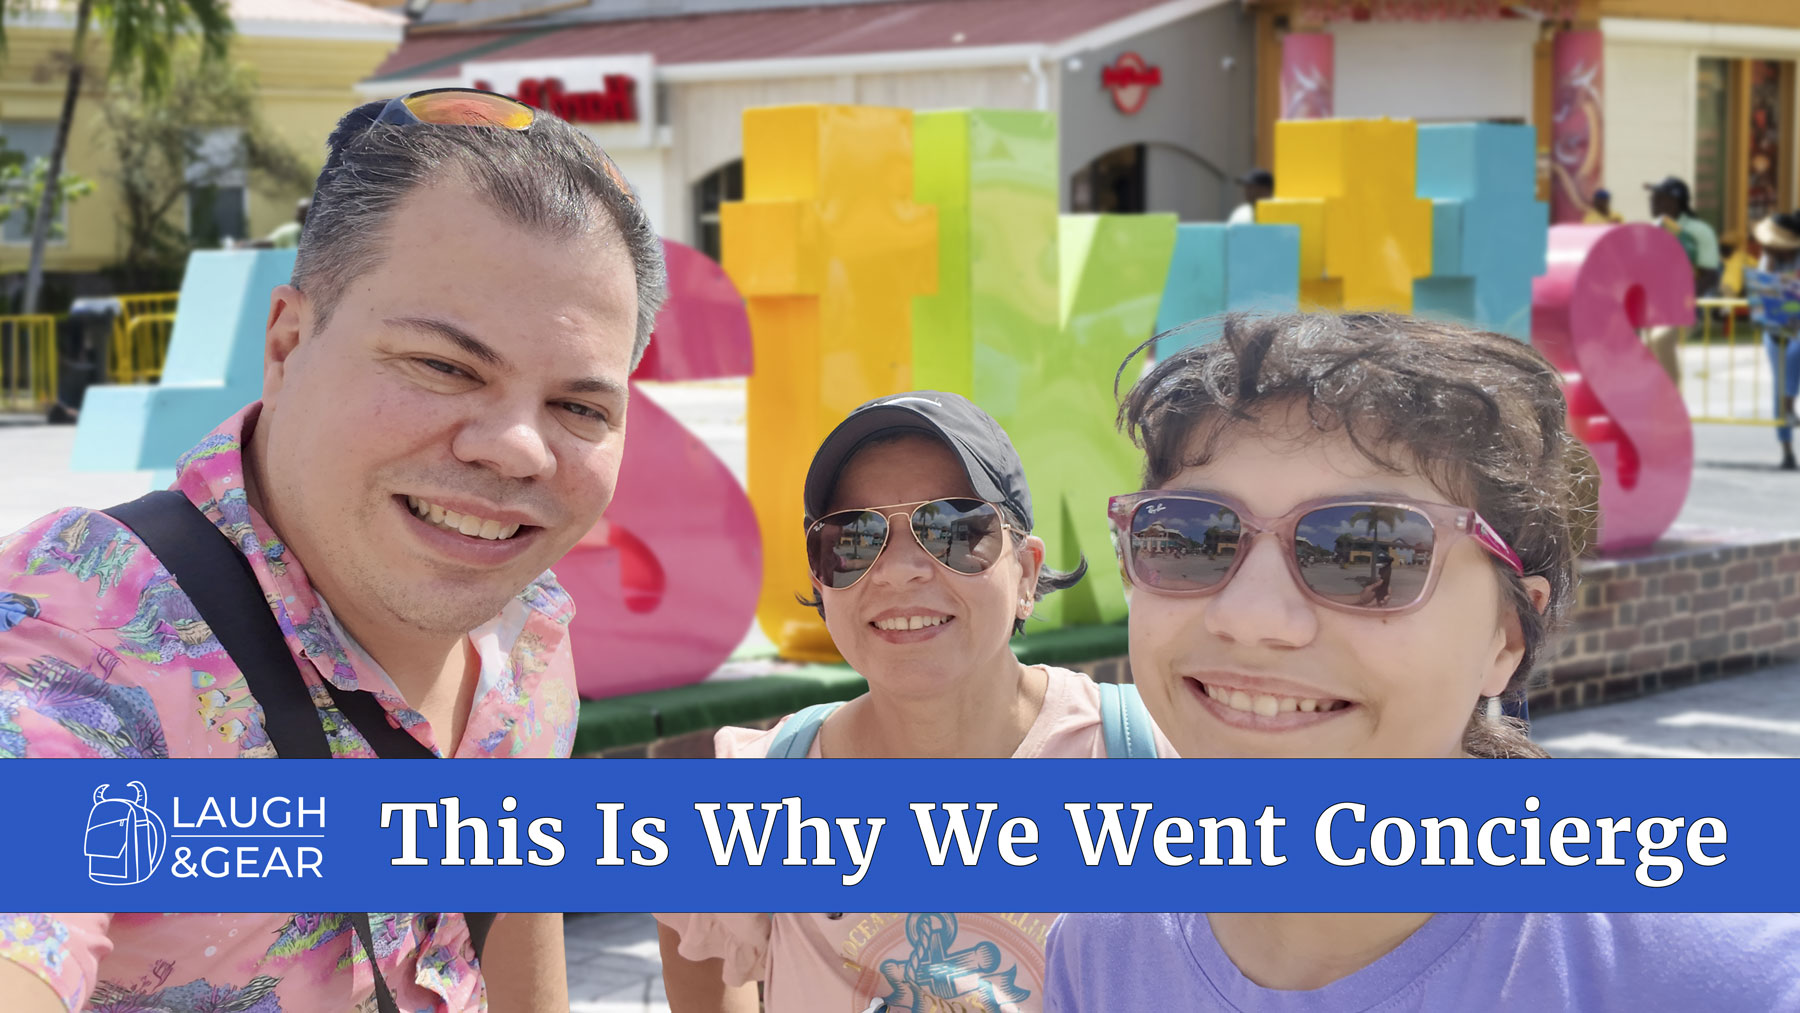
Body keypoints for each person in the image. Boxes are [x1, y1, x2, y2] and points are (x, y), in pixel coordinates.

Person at [0, 88, 667, 1012]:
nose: (519, 448)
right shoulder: (81, 640)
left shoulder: (528, 636)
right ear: (287, 342)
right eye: (444, 366)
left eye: (580, 407)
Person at [1045, 312, 1800, 1010]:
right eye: (1191, 535)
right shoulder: (1101, 944)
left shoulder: (1718, 975)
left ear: (1507, 635)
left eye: (1367, 550)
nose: (1250, 618)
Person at [656, 391, 1173, 1013]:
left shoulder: (1154, 760)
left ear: (1027, 572)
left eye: (953, 529)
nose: (898, 569)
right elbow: (695, 935)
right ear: (821, 579)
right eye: (854, 537)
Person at [1642, 176, 1722, 384]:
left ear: (1675, 202)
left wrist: (1684, 300)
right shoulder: (1652, 229)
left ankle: (1671, 398)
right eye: (1653, 197)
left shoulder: (1699, 232)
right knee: (1644, 349)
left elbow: (1710, 274)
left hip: (1687, 307)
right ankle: (1655, 398)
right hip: (1653, 306)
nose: (1653, 202)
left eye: (1659, 197)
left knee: (1661, 339)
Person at [1751, 211, 1800, 470]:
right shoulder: (1767, 258)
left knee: (1795, 353)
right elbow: (1762, 292)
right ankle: (1787, 450)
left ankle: (1789, 403)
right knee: (1778, 386)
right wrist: (1769, 263)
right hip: (1775, 325)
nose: (1765, 246)